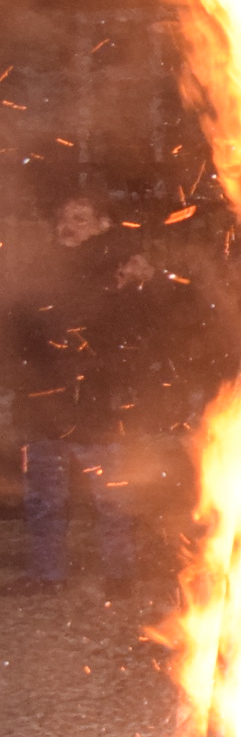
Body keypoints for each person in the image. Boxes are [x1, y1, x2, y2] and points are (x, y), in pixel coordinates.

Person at [10, 193, 139, 590]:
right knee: (44, 498)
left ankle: (120, 574)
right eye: (64, 217)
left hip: (93, 403)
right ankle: (46, 575)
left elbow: (131, 332)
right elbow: (19, 326)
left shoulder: (118, 270)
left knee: (112, 494)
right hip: (43, 401)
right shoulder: (39, 266)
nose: (68, 225)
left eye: (81, 218)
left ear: (103, 225)